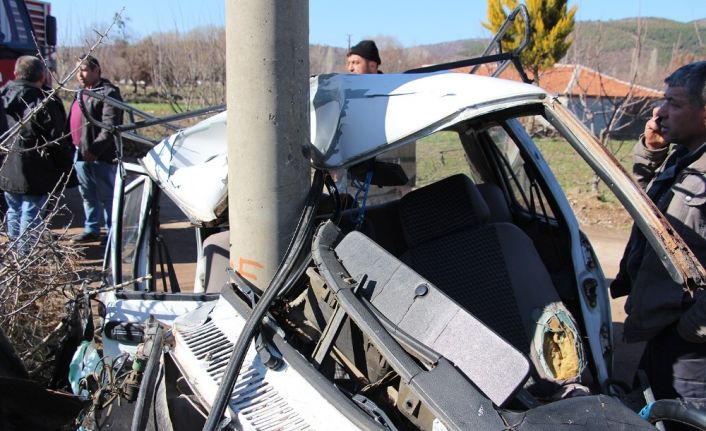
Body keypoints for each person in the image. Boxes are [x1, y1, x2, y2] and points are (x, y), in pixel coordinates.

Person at [611, 61, 706, 424]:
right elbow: (644, 209)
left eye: (675, 104)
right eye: (663, 101)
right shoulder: (684, 159)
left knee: (684, 419)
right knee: (655, 410)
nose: (661, 113)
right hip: (664, 329)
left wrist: (691, 329)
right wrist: (651, 152)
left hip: (689, 340)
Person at [0, 55, 72, 248]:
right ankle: (24, 258)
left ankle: (15, 253)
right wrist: (66, 168)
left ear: (15, 74)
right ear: (42, 77)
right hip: (37, 168)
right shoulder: (44, 100)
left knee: (14, 210)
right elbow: (56, 139)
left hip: (7, 167)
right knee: (31, 212)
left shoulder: (3, 97)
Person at [345, 40, 415, 200]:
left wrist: (406, 182)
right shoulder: (351, 97)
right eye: (348, 63)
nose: (350, 68)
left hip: (391, 185)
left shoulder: (393, 95)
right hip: (356, 185)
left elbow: (407, 142)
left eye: (355, 62)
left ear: (372, 66)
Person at [67, 55, 123, 243]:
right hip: (80, 153)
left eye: (83, 69)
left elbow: (110, 126)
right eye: (77, 70)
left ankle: (112, 233)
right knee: (87, 194)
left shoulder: (108, 93)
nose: (80, 75)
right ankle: (92, 229)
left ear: (96, 71)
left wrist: (94, 150)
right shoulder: (80, 93)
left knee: (107, 196)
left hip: (101, 156)